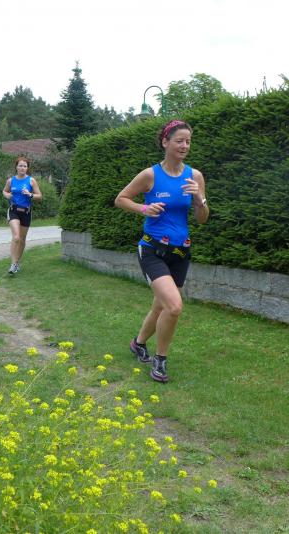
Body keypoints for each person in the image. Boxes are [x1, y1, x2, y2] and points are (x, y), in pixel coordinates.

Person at [114, 120, 209, 383]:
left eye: (188, 141)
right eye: (179, 141)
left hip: (181, 252)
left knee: (161, 306)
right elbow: (120, 199)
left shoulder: (195, 176)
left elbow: (202, 219)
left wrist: (199, 200)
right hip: (152, 249)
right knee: (174, 306)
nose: (184, 146)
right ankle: (160, 360)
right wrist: (144, 209)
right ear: (165, 142)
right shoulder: (150, 175)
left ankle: (138, 343)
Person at [2, 156, 42, 274]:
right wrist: (7, 195)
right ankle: (13, 264)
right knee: (16, 237)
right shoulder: (11, 181)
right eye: (20, 165)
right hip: (13, 210)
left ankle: (17, 262)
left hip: (26, 212)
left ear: (27, 168)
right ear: (16, 167)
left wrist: (30, 194)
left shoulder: (31, 181)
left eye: (25, 166)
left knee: (22, 240)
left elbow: (40, 196)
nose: (22, 168)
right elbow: (4, 191)